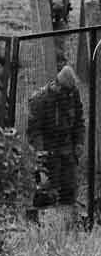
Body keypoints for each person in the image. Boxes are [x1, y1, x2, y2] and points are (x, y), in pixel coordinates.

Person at [27, 65, 84, 207]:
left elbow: (79, 121)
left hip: (67, 147)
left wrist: (79, 142)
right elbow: (34, 130)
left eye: (70, 92)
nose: (68, 94)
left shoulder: (73, 94)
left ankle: (68, 221)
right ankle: (45, 223)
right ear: (58, 86)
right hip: (48, 148)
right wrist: (41, 154)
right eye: (66, 91)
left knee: (69, 188)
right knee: (47, 192)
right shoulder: (40, 100)